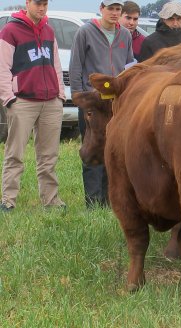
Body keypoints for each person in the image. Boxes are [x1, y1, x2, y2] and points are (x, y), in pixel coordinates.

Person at [0, 0, 66, 212]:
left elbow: (56, 64)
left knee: (49, 156)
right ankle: (8, 201)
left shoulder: (48, 30)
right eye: (38, 3)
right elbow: (2, 67)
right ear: (27, 3)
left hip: (50, 102)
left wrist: (60, 95)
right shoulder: (10, 30)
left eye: (45, 3)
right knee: (15, 154)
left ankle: (51, 201)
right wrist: (9, 98)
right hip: (23, 102)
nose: (42, 7)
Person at [69, 0, 134, 208]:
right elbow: (76, 66)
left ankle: (109, 200)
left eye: (118, 9)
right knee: (93, 149)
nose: (115, 13)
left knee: (113, 151)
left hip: (116, 102)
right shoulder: (85, 32)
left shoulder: (124, 34)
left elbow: (130, 65)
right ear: (101, 9)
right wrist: (80, 97)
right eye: (111, 9)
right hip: (94, 102)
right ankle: (93, 201)